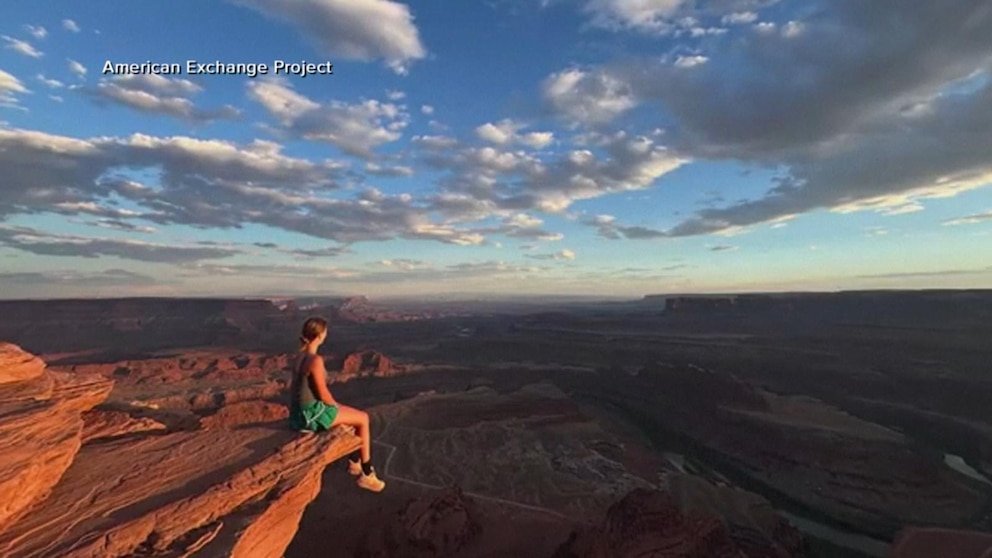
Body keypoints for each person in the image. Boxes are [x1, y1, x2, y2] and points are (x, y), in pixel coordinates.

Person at [290, 316, 385, 493]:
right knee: (363, 418)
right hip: (311, 415)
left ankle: (354, 463)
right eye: (325, 332)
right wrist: (335, 406)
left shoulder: (299, 358)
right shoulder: (315, 360)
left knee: (351, 416)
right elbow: (323, 393)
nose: (326, 334)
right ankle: (367, 473)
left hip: (297, 415)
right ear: (319, 336)